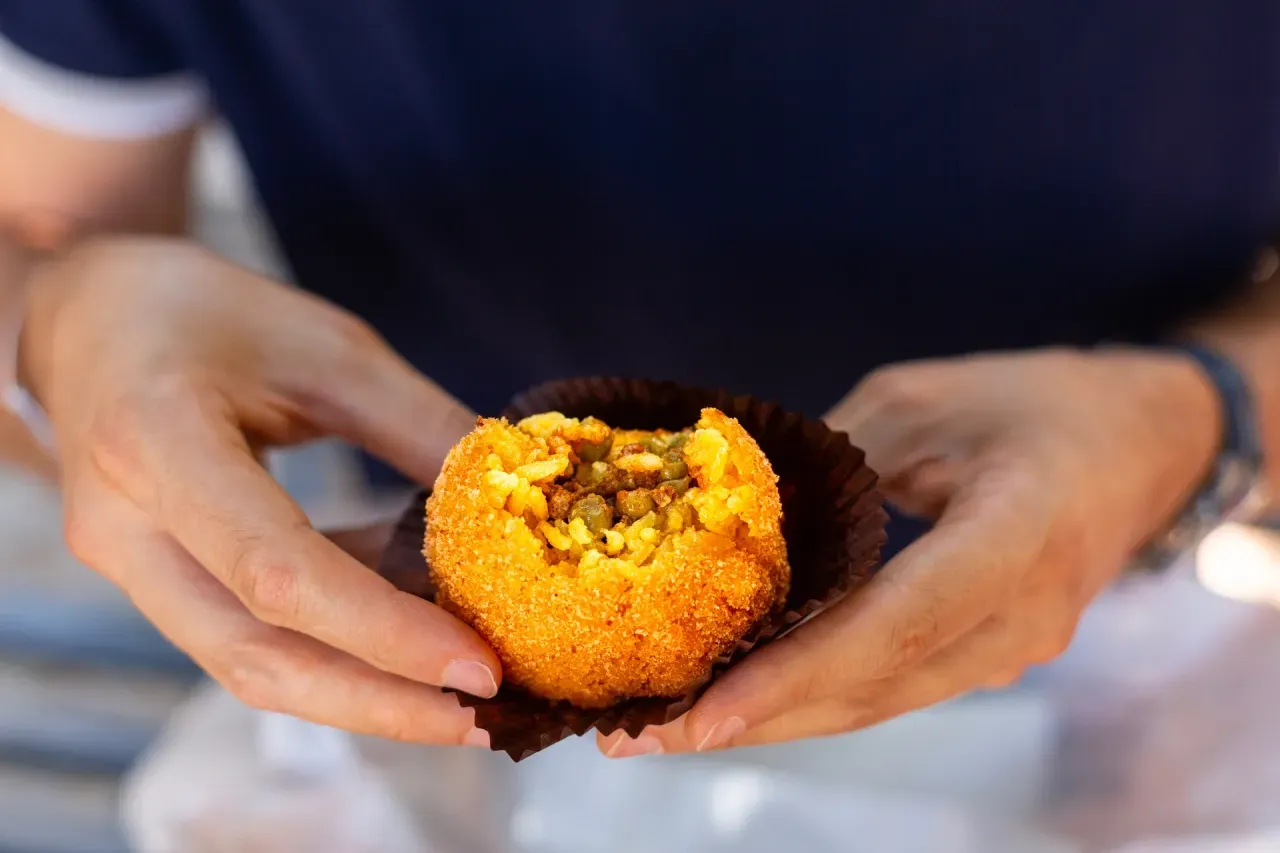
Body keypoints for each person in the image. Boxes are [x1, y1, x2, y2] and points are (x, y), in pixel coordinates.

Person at [0, 1, 1276, 759]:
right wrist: (51, 326)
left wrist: (1202, 413)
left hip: (1144, 598)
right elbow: (44, 229)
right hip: (418, 650)